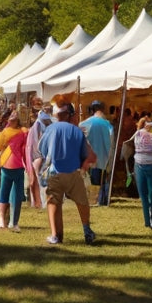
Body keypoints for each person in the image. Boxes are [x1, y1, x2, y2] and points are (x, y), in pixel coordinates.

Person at [37, 101, 96, 245]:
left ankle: (55, 235)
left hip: (54, 171)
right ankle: (87, 230)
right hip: (73, 172)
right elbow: (85, 153)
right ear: (70, 115)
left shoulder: (51, 129)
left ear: (58, 116)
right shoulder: (77, 131)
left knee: (53, 202)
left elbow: (42, 149)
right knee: (82, 202)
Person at [0, 112, 28, 231]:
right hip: (9, 166)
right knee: (5, 193)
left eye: (14, 120)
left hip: (15, 165)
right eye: (11, 120)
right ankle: (3, 221)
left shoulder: (21, 132)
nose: (12, 122)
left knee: (17, 195)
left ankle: (13, 222)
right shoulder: (19, 132)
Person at [79, 100, 114, 207]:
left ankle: (91, 199)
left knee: (92, 179)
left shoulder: (84, 124)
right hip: (104, 157)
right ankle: (101, 199)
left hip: (88, 158)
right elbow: (112, 143)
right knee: (103, 180)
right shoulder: (108, 125)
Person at [131, 115, 152, 229]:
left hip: (150, 164)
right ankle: (149, 222)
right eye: (148, 122)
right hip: (142, 164)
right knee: (147, 194)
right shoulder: (139, 133)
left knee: (151, 193)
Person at [24, 105, 51, 210]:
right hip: (40, 156)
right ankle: (41, 203)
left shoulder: (37, 126)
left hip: (37, 157)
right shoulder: (40, 125)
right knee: (41, 182)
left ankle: (37, 202)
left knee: (38, 181)